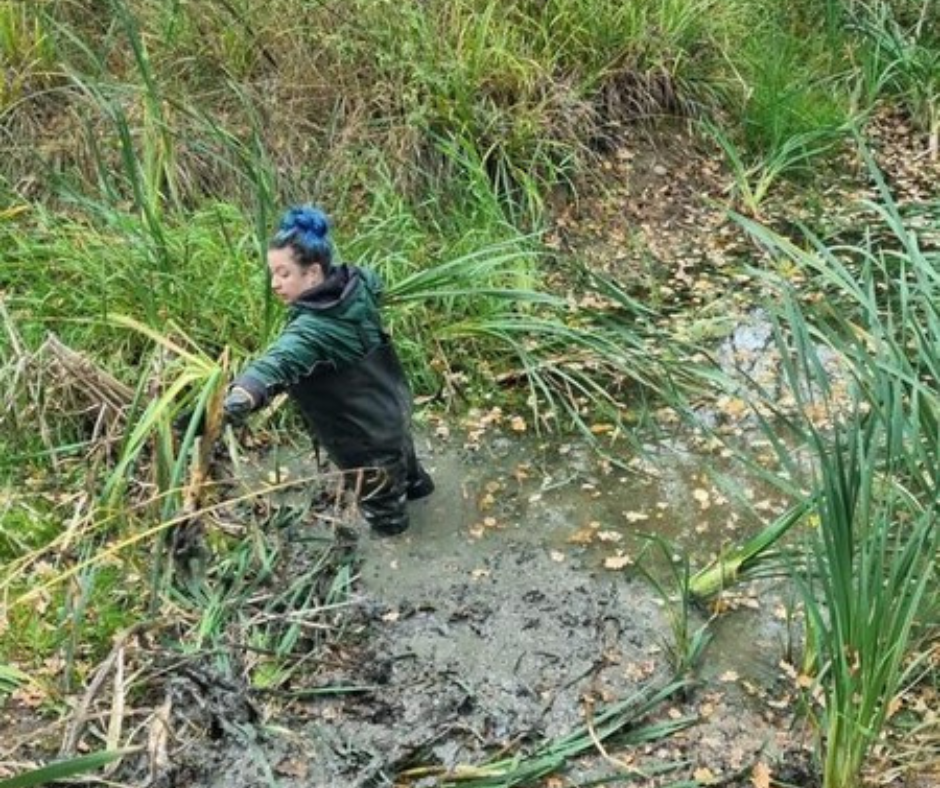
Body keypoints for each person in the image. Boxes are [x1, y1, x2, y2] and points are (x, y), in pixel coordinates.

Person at [223, 205, 434, 535]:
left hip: (365, 447)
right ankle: (433, 514)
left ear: (313, 273)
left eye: (284, 273)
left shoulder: (314, 329)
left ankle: (411, 568)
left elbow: (279, 360)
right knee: (415, 484)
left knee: (389, 526)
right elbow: (377, 283)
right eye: (272, 273)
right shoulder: (358, 283)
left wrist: (242, 394)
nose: (275, 284)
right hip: (393, 417)